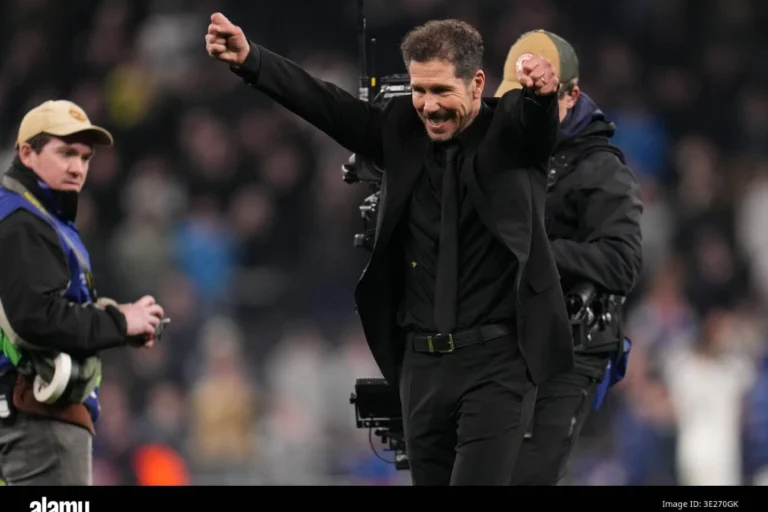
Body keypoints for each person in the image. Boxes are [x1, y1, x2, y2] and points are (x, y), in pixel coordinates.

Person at [206, 13, 573, 486]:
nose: (429, 106)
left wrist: (542, 95)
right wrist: (251, 60)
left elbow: (538, 129)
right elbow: (327, 105)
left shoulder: (511, 129)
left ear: (477, 83)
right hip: (420, 367)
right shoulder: (401, 128)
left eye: (441, 90)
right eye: (420, 90)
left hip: (495, 364)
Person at [493, 31, 643, 485]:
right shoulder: (503, 156)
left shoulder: (601, 168)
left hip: (571, 348)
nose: (524, 112)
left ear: (570, 96)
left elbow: (622, 262)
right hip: (503, 341)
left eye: (537, 99)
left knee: (527, 476)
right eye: (516, 99)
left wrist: (535, 255)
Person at [0, 100, 167, 485]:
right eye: (65, 153)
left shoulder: (34, 215)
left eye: (85, 157)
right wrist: (119, 322)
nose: (78, 167)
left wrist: (119, 320)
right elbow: (36, 318)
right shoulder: (24, 221)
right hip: (37, 419)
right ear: (26, 153)